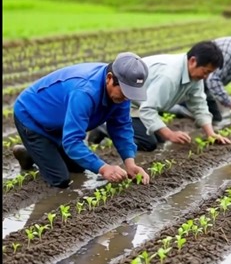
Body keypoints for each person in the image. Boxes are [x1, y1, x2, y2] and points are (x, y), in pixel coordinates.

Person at [12, 52, 150, 187]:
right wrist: (104, 168)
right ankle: (31, 153)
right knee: (60, 180)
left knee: (78, 168)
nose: (126, 98)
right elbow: (72, 141)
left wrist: (130, 163)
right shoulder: (85, 92)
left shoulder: (122, 94)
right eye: (125, 92)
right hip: (33, 117)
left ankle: (36, 153)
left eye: (130, 93)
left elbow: (121, 127)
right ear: (109, 78)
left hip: (60, 120)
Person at [89, 41, 231, 151]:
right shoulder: (169, 75)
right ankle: (105, 125)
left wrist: (211, 133)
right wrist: (170, 134)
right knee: (148, 143)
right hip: (127, 102)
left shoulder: (195, 76)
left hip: (141, 104)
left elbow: (199, 104)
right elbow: (148, 109)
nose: (205, 77)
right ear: (193, 61)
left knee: (159, 138)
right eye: (205, 72)